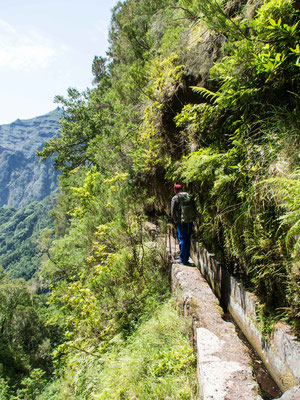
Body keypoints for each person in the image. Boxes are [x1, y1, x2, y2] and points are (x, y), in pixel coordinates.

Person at [171, 184, 196, 265]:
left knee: (182, 238)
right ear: (182, 189)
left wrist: (175, 221)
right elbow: (194, 208)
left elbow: (172, 211)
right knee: (188, 238)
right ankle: (186, 258)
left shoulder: (175, 198)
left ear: (175, 190)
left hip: (181, 222)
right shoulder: (188, 196)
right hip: (189, 220)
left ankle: (183, 259)